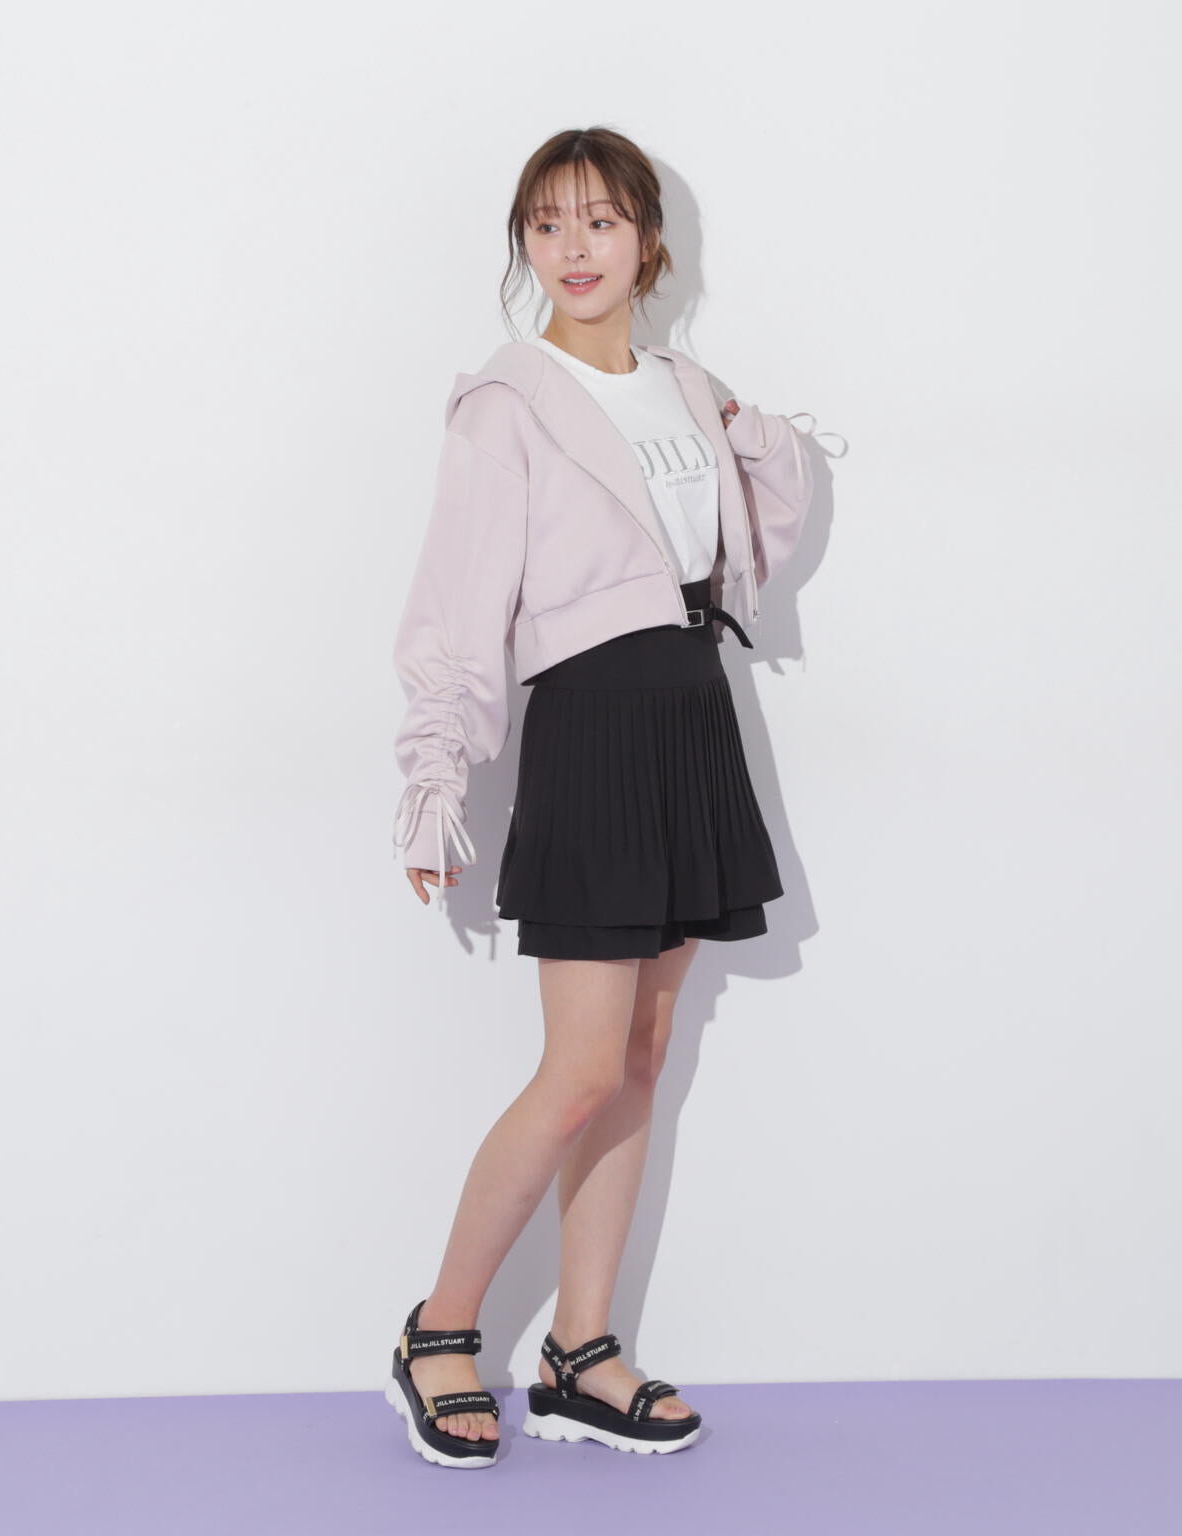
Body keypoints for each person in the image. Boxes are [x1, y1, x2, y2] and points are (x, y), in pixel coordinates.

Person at [386, 127, 845, 1468]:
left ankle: (580, 1353)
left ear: (649, 240)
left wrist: (761, 443)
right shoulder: (509, 403)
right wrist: (434, 773)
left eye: (597, 220)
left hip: (694, 715)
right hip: (592, 729)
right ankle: (439, 1330)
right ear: (523, 247)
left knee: (642, 1055)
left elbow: (744, 550)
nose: (572, 248)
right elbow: (458, 600)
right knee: (581, 1068)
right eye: (546, 224)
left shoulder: (689, 388)